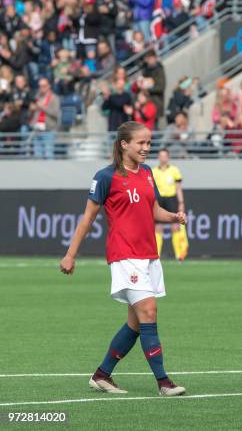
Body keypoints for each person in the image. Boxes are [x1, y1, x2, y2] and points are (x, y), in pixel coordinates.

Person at [59, 121, 186, 396]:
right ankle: (164, 382)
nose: (146, 148)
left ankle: (102, 375)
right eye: (141, 143)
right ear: (124, 144)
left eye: (149, 143)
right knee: (149, 312)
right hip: (124, 254)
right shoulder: (106, 176)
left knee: (137, 322)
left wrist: (173, 217)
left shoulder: (148, 172)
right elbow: (88, 218)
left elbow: (153, 210)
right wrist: (71, 254)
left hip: (149, 254)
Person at [152, 149, 188, 262]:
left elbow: (178, 188)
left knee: (175, 226)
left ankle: (179, 255)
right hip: (159, 199)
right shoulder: (153, 171)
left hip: (171, 198)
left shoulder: (174, 170)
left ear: (168, 157)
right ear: (158, 157)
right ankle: (156, 255)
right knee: (157, 227)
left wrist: (181, 203)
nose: (163, 158)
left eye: (165, 156)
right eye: (161, 156)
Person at [30, 77, 60, 159]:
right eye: (40, 86)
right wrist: (32, 109)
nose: (41, 88)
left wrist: (42, 107)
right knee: (37, 156)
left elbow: (55, 113)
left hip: (48, 129)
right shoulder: (37, 97)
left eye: (44, 86)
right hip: (37, 129)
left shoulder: (54, 98)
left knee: (48, 155)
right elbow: (34, 113)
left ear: (48, 86)